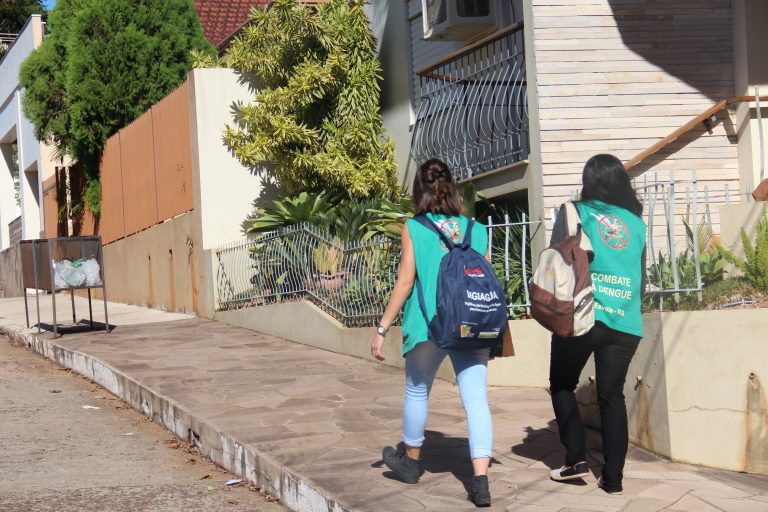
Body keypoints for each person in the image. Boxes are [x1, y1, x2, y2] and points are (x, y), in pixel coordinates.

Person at [370, 158, 509, 507]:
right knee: (476, 399)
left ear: (420, 190)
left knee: (417, 391)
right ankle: (480, 482)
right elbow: (485, 280)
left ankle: (411, 464)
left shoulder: (415, 228)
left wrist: (382, 328)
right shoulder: (476, 228)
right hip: (471, 322)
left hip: (428, 324)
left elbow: (405, 282)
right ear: (452, 188)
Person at [547, 154, 646, 495]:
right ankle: (613, 479)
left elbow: (556, 259)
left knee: (562, 383)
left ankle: (575, 458)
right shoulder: (636, 223)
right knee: (612, 397)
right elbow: (641, 277)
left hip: (584, 315)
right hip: (626, 319)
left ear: (588, 182)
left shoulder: (577, 212)